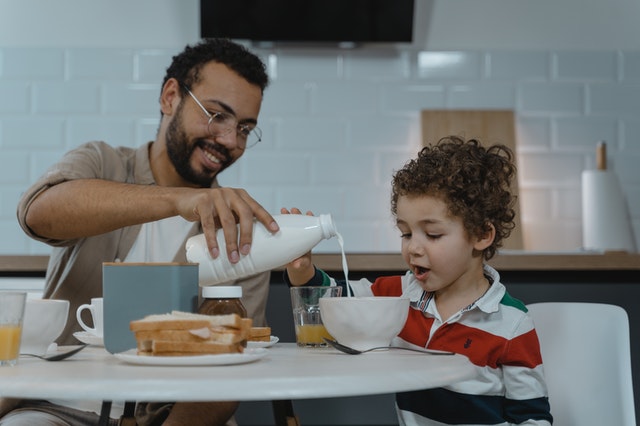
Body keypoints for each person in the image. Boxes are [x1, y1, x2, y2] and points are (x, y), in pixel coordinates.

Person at [3, 38, 279, 426]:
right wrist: (175, 200)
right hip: (56, 407)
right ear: (170, 97)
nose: (231, 141)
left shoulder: (239, 228)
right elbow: (37, 214)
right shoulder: (102, 163)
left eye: (245, 128)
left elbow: (228, 381)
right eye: (217, 115)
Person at [284, 136, 554, 425]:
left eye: (433, 235)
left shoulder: (512, 325)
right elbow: (338, 299)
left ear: (481, 235)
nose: (413, 248)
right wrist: (302, 269)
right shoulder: (401, 295)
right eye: (406, 233)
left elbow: (532, 418)